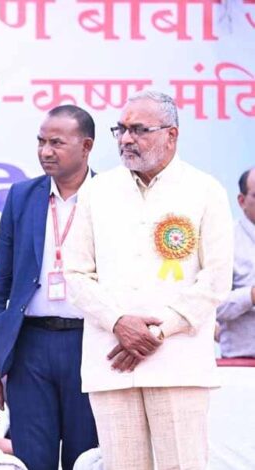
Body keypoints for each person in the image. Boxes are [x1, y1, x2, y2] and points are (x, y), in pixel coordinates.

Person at [64, 90, 233, 469]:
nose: (126, 139)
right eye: (121, 129)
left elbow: (216, 279)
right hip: (113, 360)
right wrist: (119, 323)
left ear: (172, 135)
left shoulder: (204, 190)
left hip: (178, 364)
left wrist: (157, 332)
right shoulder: (97, 191)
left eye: (139, 130)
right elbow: (75, 273)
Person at [0, 105, 99, 470]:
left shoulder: (111, 197)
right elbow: (0, 285)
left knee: (88, 458)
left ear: (86, 146)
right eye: (41, 142)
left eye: (56, 143)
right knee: (31, 458)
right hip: (30, 347)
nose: (45, 151)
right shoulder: (22, 196)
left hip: (90, 343)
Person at [216, 167, 255, 358]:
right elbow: (212, 306)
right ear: (241, 201)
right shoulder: (224, 241)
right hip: (242, 364)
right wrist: (251, 295)